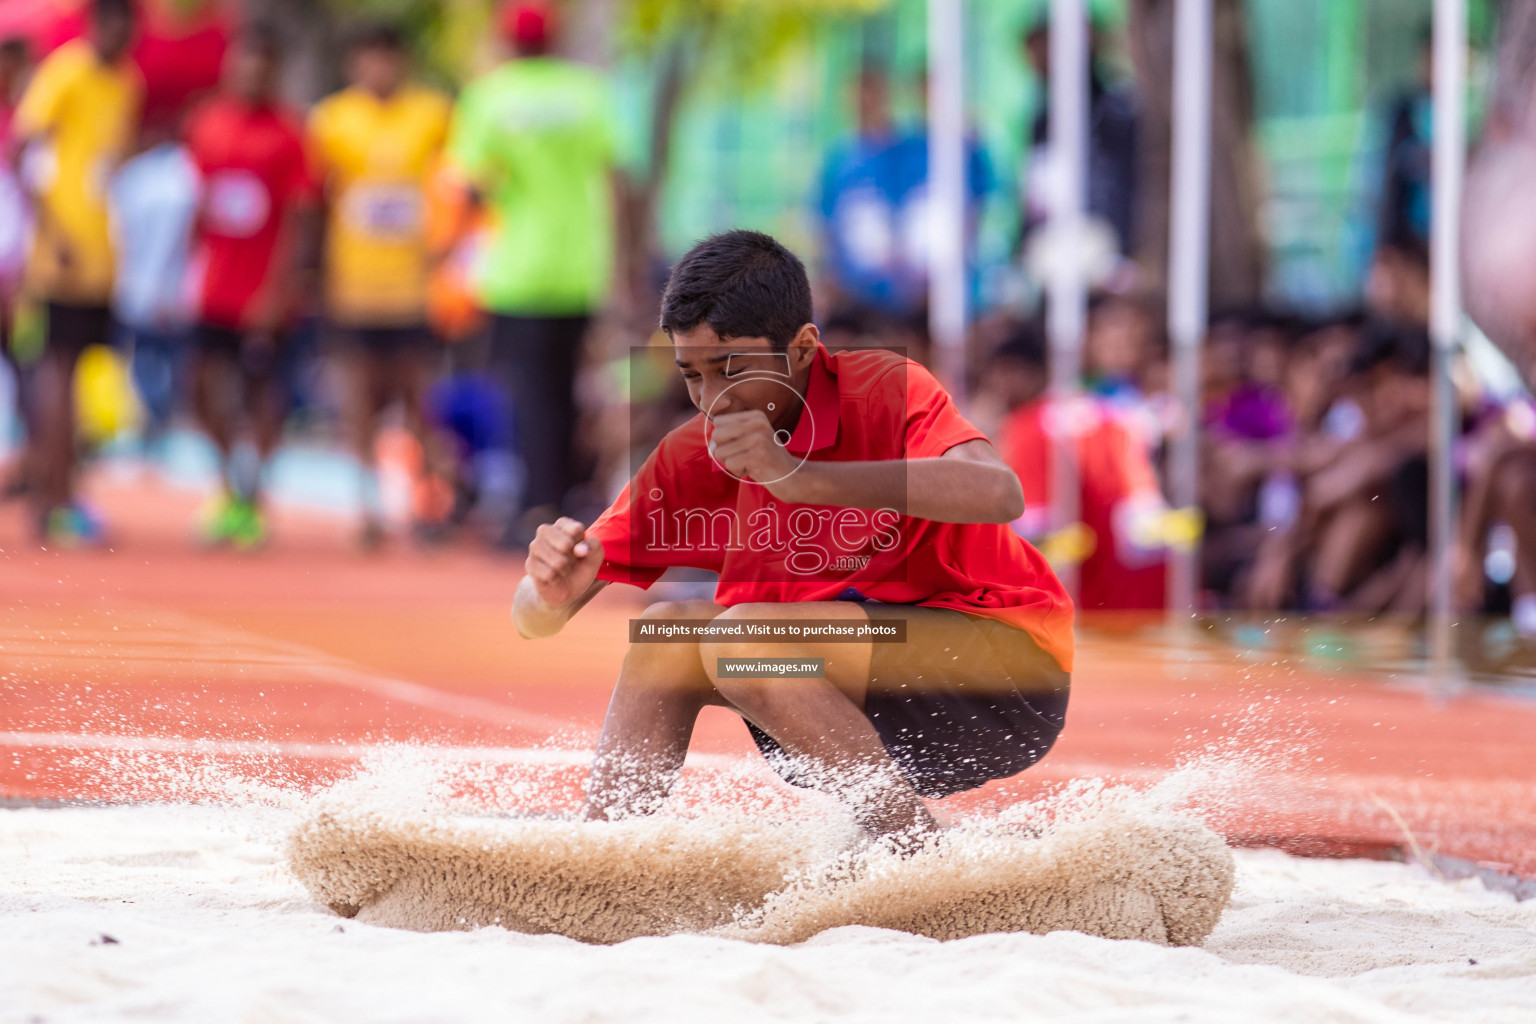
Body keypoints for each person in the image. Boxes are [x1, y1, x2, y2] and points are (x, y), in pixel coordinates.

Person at [511, 230, 1072, 844]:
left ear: (803, 348)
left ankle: (918, 855)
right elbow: (534, 620)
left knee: (738, 635)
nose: (710, 401)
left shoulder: (883, 387)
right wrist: (548, 590)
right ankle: (601, 859)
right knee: (667, 633)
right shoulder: (693, 457)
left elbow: (1000, 494)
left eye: (731, 370)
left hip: (1004, 678)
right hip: (834, 697)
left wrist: (802, 478)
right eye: (691, 375)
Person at [447, 0, 615, 547]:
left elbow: (470, 184)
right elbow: (618, 171)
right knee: (566, 392)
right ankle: (564, 505)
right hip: (578, 267)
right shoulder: (587, 92)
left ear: (508, 40)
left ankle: (532, 512)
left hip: (518, 270)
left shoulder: (491, 95)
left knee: (524, 394)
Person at [309, 22, 451, 548]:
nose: (380, 69)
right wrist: (315, 274)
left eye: (389, 58)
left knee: (418, 398)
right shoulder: (331, 121)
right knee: (360, 399)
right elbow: (316, 202)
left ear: (403, 63)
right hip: (355, 284)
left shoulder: (432, 115)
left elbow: (453, 187)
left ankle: (429, 502)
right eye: (370, 58)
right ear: (354, 64)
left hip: (413, 285)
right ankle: (366, 506)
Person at [9, 0, 141, 543]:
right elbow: (22, 150)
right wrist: (52, 231)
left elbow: (110, 160)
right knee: (56, 373)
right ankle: (53, 495)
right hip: (61, 254)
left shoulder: (127, 82)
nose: (117, 34)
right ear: (94, 25)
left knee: (82, 376)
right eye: (109, 23)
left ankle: (61, 491)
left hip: (103, 254)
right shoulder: (64, 72)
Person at [183, 25, 315, 548]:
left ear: (274, 72)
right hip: (212, 287)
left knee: (262, 392)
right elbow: (193, 202)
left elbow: (298, 217)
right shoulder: (206, 123)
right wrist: (181, 272)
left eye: (262, 67)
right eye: (244, 64)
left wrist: (279, 290)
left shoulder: (289, 133)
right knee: (197, 387)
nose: (251, 75)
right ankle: (226, 485)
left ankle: (253, 498)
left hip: (263, 293)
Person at [989, 322, 1169, 612]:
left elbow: (1036, 531)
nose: (1001, 386)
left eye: (1008, 373)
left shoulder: (1027, 428)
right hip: (1144, 597)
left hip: (1080, 602)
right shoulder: (1114, 416)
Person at [816, 67, 991, 360]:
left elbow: (970, 215)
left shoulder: (943, 150)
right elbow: (827, 227)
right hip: (869, 295)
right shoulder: (841, 158)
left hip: (927, 293)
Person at [108, 111, 199, 454]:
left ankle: (151, 424)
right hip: (165, 287)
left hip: (142, 285)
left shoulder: (139, 177)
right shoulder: (182, 176)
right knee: (159, 365)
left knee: (148, 363)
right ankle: (153, 424)